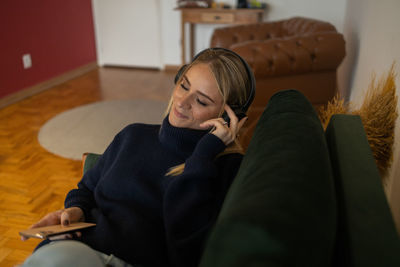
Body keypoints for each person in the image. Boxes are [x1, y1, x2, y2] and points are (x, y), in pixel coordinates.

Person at [21, 47, 255, 267]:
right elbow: (86, 188)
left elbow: (188, 251)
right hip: (69, 247)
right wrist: (76, 210)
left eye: (201, 100)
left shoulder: (223, 168)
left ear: (228, 116)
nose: (182, 102)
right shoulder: (133, 135)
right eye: (184, 86)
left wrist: (203, 154)